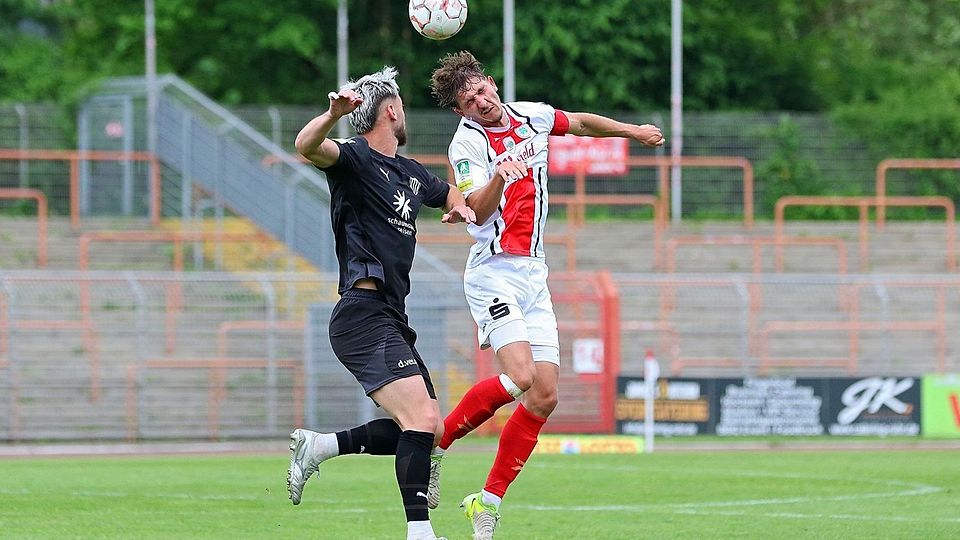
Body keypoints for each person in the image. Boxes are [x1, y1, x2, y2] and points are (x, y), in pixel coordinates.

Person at [427, 51, 664, 539]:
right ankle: (437, 444)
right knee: (519, 376)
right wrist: (501, 175)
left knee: (544, 396)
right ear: (461, 111)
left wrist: (631, 131)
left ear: (491, 84)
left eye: (482, 90)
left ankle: (486, 501)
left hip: (533, 273)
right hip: (493, 271)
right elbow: (474, 205)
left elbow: (577, 122)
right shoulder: (467, 143)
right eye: (469, 101)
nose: (481, 101)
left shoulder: (529, 115)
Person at [286, 66, 476, 540]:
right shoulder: (353, 159)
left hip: (390, 315)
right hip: (361, 313)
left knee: (427, 432)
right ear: (391, 109)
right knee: (423, 419)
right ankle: (420, 532)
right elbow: (306, 146)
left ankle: (322, 446)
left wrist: (465, 205)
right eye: (403, 105)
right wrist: (331, 116)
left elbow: (457, 196)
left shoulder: (410, 174)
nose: (404, 111)